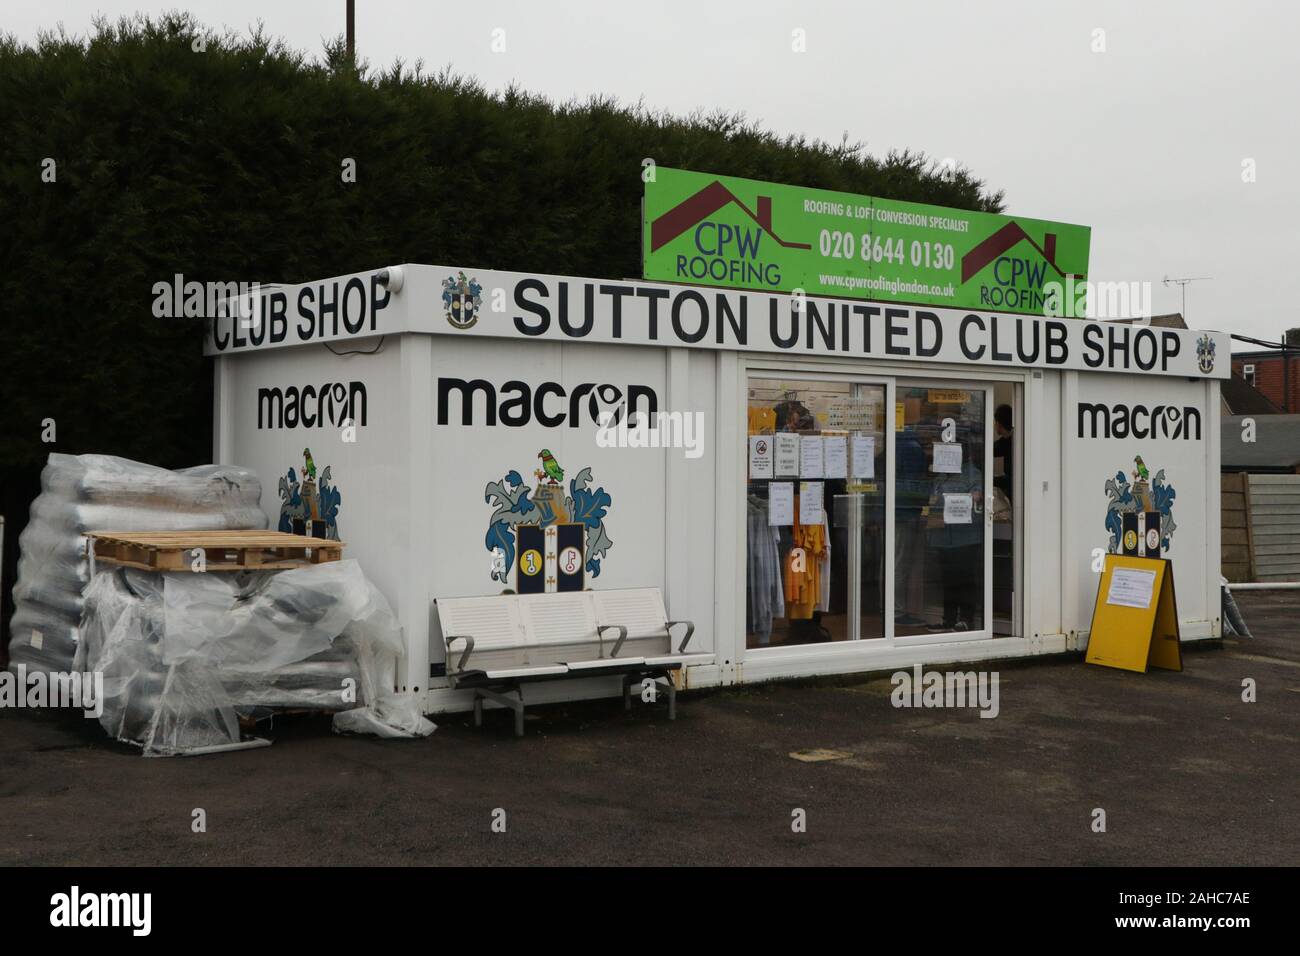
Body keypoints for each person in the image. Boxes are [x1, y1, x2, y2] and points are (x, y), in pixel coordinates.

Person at [993, 404, 1013, 500]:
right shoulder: (1008, 441)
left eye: (995, 422)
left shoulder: (1011, 443)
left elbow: (1010, 479)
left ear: (999, 424)